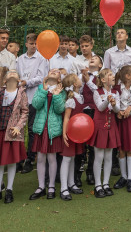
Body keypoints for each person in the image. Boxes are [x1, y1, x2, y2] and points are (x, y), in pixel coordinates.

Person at [0, 69, 28, 205]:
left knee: (12, 161)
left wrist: (18, 127)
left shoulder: (21, 93)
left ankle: (9, 189)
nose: (12, 73)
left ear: (19, 80)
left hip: (12, 132)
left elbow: (25, 111)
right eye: (9, 73)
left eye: (15, 73)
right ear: (4, 80)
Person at [29, 70, 65, 201]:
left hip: (52, 129)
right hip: (40, 128)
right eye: (52, 70)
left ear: (60, 80)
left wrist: (56, 95)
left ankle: (51, 186)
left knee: (52, 158)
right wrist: (44, 91)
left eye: (57, 72)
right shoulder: (40, 88)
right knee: (40, 158)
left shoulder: (61, 91)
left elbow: (60, 109)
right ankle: (40, 186)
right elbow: (35, 105)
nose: (54, 71)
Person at [17, 32, 48, 173]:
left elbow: (41, 77)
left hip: (33, 97)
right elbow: (17, 73)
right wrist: (19, 82)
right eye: (31, 43)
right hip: (20, 97)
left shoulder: (42, 59)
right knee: (18, 128)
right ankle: (18, 158)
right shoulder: (20, 59)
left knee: (31, 129)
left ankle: (30, 158)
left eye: (35, 44)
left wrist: (26, 82)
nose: (33, 46)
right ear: (26, 44)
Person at [90, 68, 120, 198]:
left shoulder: (115, 92)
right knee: (99, 156)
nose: (113, 76)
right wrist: (108, 101)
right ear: (103, 80)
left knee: (109, 156)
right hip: (100, 125)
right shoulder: (97, 92)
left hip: (111, 125)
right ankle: (98, 185)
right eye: (110, 75)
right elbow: (100, 107)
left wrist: (113, 104)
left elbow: (117, 109)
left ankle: (106, 184)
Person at [59, 73, 83, 201]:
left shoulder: (79, 97)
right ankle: (63, 188)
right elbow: (66, 117)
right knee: (67, 158)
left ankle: (71, 183)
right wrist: (64, 133)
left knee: (72, 158)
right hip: (70, 133)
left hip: (77, 133)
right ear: (74, 84)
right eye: (78, 79)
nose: (81, 79)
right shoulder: (71, 100)